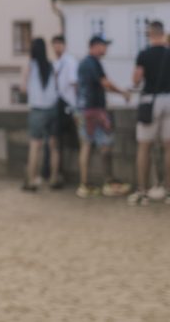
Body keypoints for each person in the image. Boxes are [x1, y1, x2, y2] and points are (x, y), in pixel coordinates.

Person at [76, 35, 132, 198]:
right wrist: (122, 93)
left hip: (84, 109)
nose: (106, 49)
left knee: (86, 145)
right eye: (104, 45)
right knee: (106, 145)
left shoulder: (83, 63)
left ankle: (84, 184)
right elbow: (105, 83)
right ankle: (109, 182)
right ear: (95, 46)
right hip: (96, 110)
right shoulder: (93, 63)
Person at [127, 21, 170, 206]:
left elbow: (136, 79)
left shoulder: (144, 54)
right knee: (168, 147)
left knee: (144, 147)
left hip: (150, 101)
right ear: (163, 33)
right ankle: (169, 192)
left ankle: (143, 192)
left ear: (149, 34)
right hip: (169, 100)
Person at [20, 38, 61, 191]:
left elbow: (23, 88)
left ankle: (31, 181)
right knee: (54, 146)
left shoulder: (29, 65)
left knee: (35, 146)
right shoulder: (51, 65)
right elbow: (56, 87)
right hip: (53, 108)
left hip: (37, 109)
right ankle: (54, 179)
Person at [51, 35, 78, 184]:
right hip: (60, 105)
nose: (57, 47)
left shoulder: (69, 62)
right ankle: (58, 174)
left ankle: (60, 174)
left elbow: (74, 83)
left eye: (59, 44)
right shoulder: (57, 63)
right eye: (55, 44)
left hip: (68, 106)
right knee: (59, 142)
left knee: (65, 142)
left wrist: (77, 106)